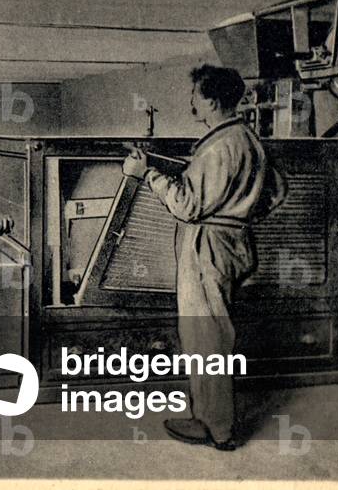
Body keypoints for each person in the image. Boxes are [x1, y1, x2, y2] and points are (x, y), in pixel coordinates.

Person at [122, 64, 285, 451]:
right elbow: (277, 191)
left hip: (207, 246)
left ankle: (218, 428)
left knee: (205, 337)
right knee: (215, 332)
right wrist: (238, 213)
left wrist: (147, 174)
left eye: (195, 95)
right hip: (234, 241)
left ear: (211, 100)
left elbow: (187, 205)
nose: (191, 101)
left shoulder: (218, 147)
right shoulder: (247, 138)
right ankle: (211, 419)